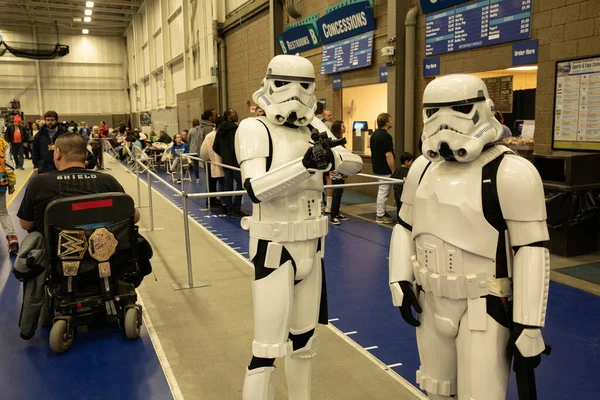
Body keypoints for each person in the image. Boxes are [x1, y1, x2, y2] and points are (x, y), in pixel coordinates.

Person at [389, 74, 550, 400]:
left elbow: (531, 248)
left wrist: (529, 323)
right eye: (433, 112)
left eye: (460, 109)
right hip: (430, 301)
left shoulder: (511, 172)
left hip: (484, 307)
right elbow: (404, 227)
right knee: (436, 391)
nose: (443, 122)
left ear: (485, 109)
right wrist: (399, 280)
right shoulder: (421, 169)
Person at [238, 54, 363, 399]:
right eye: (284, 84)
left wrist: (330, 156)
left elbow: (352, 160)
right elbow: (256, 189)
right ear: (268, 84)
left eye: (304, 86)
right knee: (266, 350)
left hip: (313, 248)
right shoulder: (255, 128)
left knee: (305, 343)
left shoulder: (313, 128)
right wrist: (307, 164)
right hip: (275, 249)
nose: (295, 93)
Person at [18, 132, 140, 235]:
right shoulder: (108, 181)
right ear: (86, 155)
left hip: (54, 258)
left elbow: (26, 224)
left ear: (58, 153)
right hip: (103, 256)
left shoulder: (39, 183)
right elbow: (134, 217)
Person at [213, 108, 244, 218]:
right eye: (234, 114)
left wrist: (224, 156)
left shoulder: (220, 129)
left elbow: (215, 146)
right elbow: (235, 146)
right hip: (235, 161)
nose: (237, 115)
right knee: (241, 184)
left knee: (228, 185)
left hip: (226, 162)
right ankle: (236, 209)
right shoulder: (234, 129)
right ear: (229, 116)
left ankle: (229, 208)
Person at [370, 112, 395, 224]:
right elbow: (388, 155)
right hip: (384, 169)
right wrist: (394, 170)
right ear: (387, 122)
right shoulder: (386, 136)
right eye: (390, 119)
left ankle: (382, 212)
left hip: (377, 166)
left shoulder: (374, 134)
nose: (391, 121)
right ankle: (380, 215)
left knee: (383, 190)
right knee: (384, 191)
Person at [329, 120, 350, 225]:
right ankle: (333, 216)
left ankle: (337, 213)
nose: (344, 128)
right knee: (336, 194)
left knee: (340, 193)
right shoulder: (335, 141)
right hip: (336, 171)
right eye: (343, 126)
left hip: (341, 171)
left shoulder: (340, 141)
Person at [0, 136, 18, 255]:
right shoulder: (3, 144)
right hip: (0, 181)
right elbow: (9, 165)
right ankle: (12, 238)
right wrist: (11, 184)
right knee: (2, 212)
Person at [200, 125, 224, 209]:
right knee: (222, 182)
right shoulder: (220, 134)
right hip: (220, 163)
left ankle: (211, 200)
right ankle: (223, 202)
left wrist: (208, 160)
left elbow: (203, 152)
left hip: (211, 162)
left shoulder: (209, 135)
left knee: (211, 183)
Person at [391, 152, 414, 219]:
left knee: (399, 206)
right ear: (406, 162)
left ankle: (399, 219)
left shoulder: (397, 170)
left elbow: (392, 177)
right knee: (403, 207)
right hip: (403, 192)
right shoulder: (408, 171)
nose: (412, 163)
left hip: (396, 191)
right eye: (411, 161)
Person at [187, 119, 202, 183]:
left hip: (193, 149)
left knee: (195, 164)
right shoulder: (201, 130)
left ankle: (197, 178)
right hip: (200, 148)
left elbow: (188, 139)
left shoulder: (191, 130)